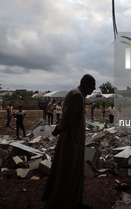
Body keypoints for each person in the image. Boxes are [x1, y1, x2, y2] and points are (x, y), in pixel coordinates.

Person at [42, 74, 95, 209]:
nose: (93, 89)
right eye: (92, 86)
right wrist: (59, 129)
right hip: (72, 138)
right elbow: (67, 117)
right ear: (85, 84)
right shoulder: (77, 96)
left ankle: (73, 200)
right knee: (68, 170)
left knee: (72, 169)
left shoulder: (76, 94)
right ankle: (64, 201)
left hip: (74, 137)